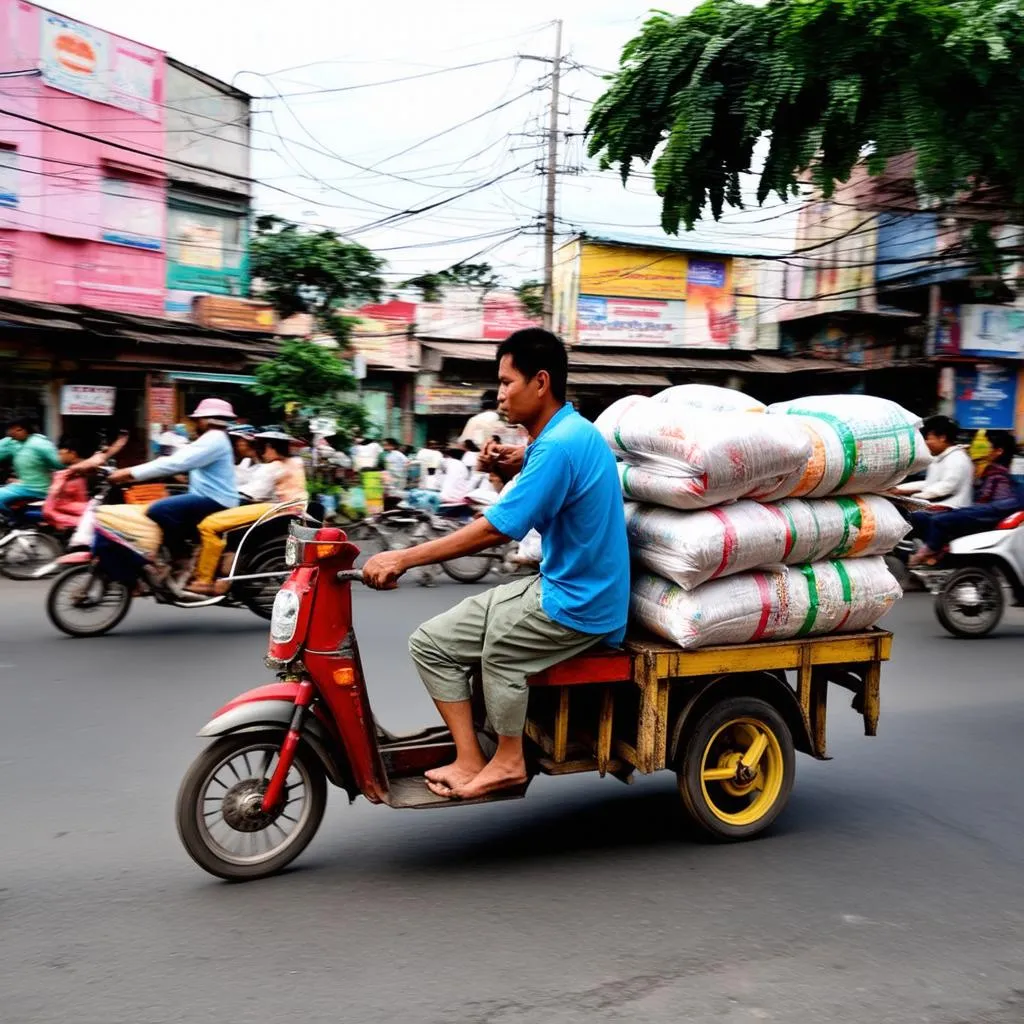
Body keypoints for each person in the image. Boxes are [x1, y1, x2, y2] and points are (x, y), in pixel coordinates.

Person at [363, 328, 630, 801]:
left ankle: (508, 762)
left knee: (500, 650)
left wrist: (403, 557)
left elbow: (495, 530)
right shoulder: (563, 435)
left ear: (541, 382)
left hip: (581, 604)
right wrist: (513, 463)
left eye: (508, 382)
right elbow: (548, 473)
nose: (501, 394)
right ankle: (470, 758)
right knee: (432, 642)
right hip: (555, 586)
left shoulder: (561, 444)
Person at [109, 398, 239, 581]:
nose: (194, 424)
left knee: (160, 510)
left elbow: (177, 463)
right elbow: (180, 460)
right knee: (161, 499)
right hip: (207, 496)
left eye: (197, 420)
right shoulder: (212, 439)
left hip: (216, 500)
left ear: (206, 420)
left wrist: (129, 472)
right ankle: (180, 548)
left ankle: (181, 557)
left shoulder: (214, 439)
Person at [188, 432, 308, 595]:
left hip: (278, 509)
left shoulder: (273, 468)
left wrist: (225, 494)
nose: (261, 452)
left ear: (270, 447)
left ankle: (204, 580)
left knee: (208, 525)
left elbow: (252, 493)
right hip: (295, 511)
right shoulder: (296, 462)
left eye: (262, 448)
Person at [911, 429, 1022, 565]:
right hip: (981, 510)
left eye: (986, 446)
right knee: (922, 517)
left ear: (998, 451)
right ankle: (930, 552)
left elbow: (992, 504)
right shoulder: (985, 469)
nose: (974, 449)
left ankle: (928, 554)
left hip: (991, 514)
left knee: (940, 520)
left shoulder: (999, 476)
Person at [44, 432, 129, 530]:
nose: (58, 455)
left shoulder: (70, 474)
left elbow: (51, 506)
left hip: (87, 517)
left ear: (72, 453)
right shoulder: (93, 468)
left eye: (60, 451)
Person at [892, 415, 973, 508]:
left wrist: (916, 497)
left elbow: (947, 486)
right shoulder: (941, 458)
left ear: (942, 438)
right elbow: (929, 483)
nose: (926, 443)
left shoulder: (956, 458)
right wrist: (898, 489)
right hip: (938, 505)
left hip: (952, 508)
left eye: (928, 439)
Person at [0, 417, 62, 514]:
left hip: (37, 488)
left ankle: (12, 520)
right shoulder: (11, 442)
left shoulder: (40, 443)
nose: (10, 433)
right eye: (9, 430)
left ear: (21, 429)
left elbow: (58, 463)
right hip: (22, 485)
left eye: (12, 430)